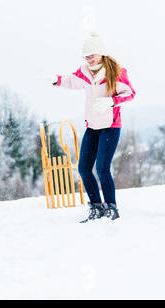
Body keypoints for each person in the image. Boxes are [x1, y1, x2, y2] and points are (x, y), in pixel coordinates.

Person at [46, 32, 135, 222]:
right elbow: (71, 81)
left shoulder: (117, 71)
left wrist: (112, 101)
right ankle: (96, 207)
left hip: (111, 126)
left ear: (101, 53)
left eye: (92, 55)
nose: (89, 58)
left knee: (102, 168)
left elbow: (130, 93)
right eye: (86, 55)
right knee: (84, 169)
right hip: (92, 126)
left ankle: (112, 207)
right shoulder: (85, 72)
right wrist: (56, 79)